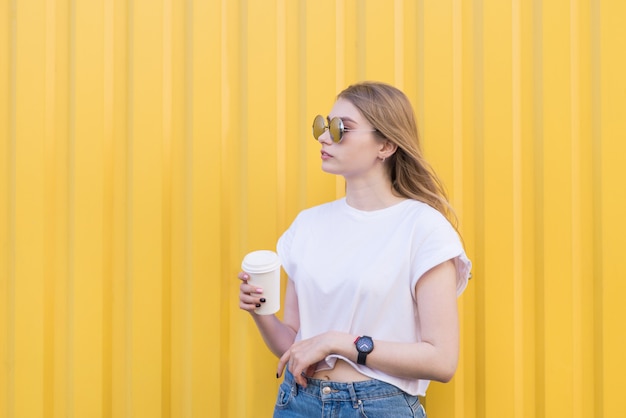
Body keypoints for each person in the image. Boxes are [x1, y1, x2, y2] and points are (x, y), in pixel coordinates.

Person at [238, 81, 471, 417]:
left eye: (340, 128)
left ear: (386, 145)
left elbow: (442, 360)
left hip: (379, 407)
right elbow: (295, 344)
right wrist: (260, 312)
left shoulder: (424, 229)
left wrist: (339, 342)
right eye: (322, 125)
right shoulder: (307, 226)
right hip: (299, 402)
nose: (323, 136)